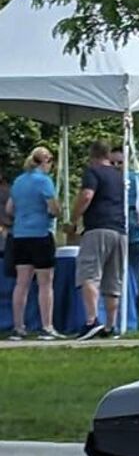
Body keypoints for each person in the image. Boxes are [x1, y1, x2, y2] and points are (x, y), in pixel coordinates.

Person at [72, 139, 128, 339]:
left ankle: (91, 320)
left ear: (92, 155)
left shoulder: (92, 172)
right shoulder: (120, 176)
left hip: (97, 228)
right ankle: (110, 326)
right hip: (119, 230)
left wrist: (74, 218)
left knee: (89, 274)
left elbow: (87, 195)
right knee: (113, 279)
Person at [4, 145, 59, 339]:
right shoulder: (44, 181)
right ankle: (47, 326)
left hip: (20, 236)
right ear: (45, 161)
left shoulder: (19, 181)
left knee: (22, 283)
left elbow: (10, 209)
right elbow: (53, 208)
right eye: (51, 160)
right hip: (40, 235)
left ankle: (18, 327)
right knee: (45, 283)